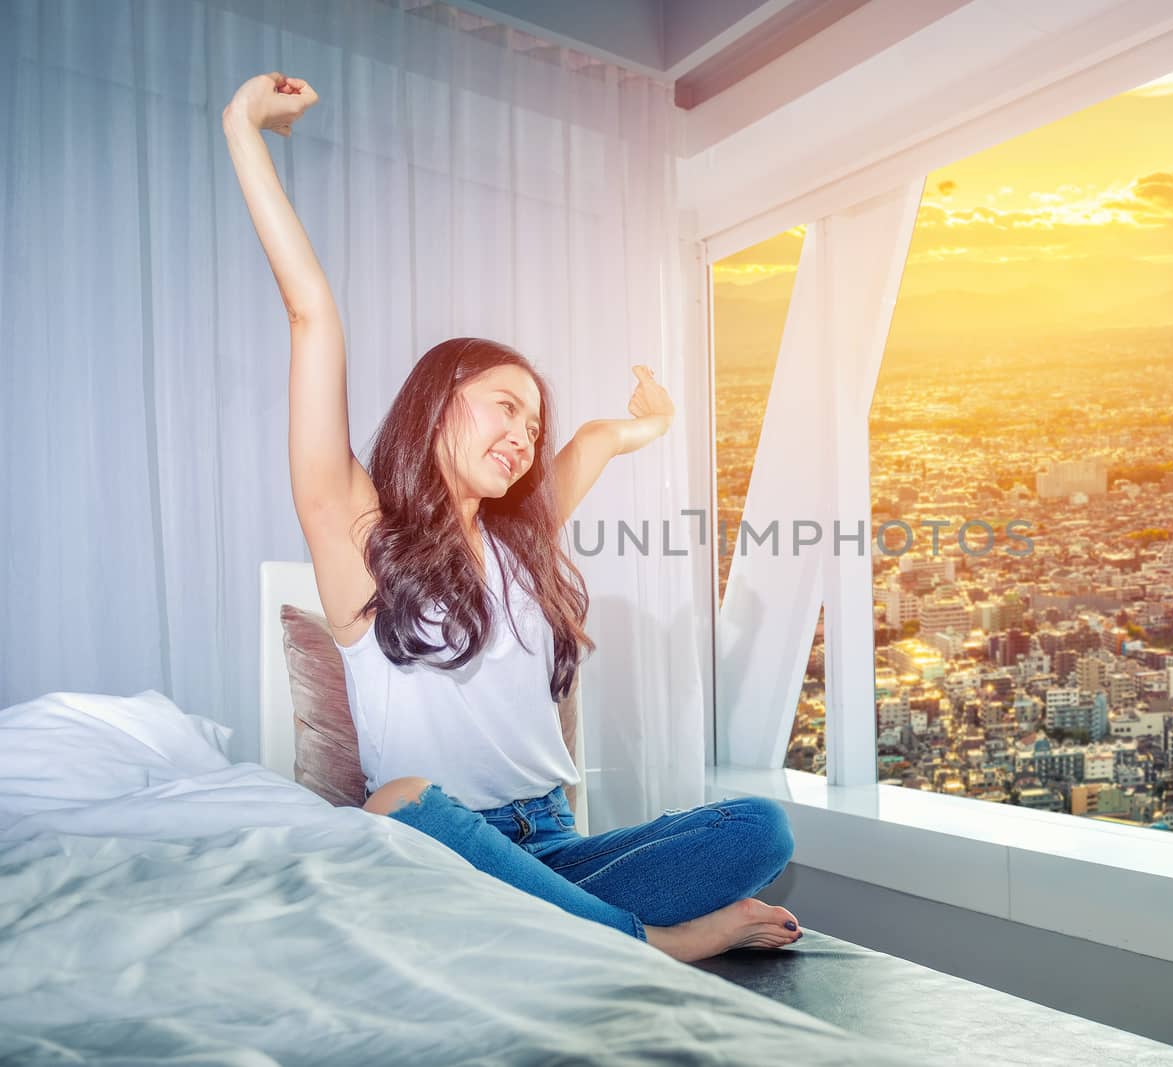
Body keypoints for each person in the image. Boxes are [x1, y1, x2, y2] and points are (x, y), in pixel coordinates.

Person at [221, 72, 801, 962]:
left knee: (761, 828)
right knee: (399, 800)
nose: (525, 435)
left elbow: (596, 441)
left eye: (534, 423)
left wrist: (642, 422)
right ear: (440, 400)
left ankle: (580, 927)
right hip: (441, 847)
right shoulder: (356, 531)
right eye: (504, 406)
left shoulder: (522, 541)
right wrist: (244, 130)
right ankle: (658, 944)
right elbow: (310, 316)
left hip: (555, 849)